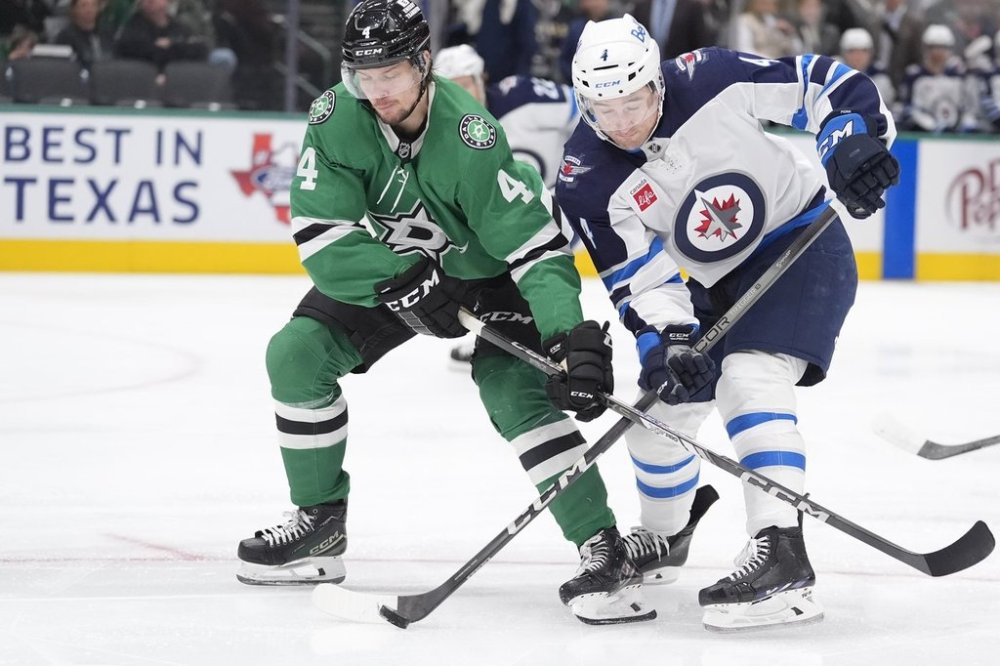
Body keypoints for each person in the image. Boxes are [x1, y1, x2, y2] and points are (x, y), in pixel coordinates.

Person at [235, 0, 715, 625]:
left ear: (424, 65)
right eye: (364, 76)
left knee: (514, 391)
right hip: (394, 274)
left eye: (392, 75)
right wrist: (398, 279)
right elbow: (321, 233)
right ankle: (319, 525)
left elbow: (536, 251)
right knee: (296, 355)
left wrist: (567, 334)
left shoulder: (471, 137)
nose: (377, 92)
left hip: (487, 282)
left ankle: (603, 548)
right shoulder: (334, 118)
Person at [556, 14, 898, 630]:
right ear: (584, 103)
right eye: (605, 110)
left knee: (749, 377)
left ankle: (782, 554)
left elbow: (820, 82)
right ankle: (663, 540)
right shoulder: (586, 178)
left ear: (657, 81)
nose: (625, 121)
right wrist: (668, 340)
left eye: (634, 100)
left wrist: (847, 139)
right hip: (713, 287)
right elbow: (640, 278)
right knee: (655, 419)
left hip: (801, 246)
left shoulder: (710, 77)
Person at [434, 43, 579, 366]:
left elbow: (588, 108)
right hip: (515, 216)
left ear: (481, 79)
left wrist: (580, 169)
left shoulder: (523, 97)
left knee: (535, 260)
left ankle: (562, 337)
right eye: (451, 89)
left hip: (565, 201)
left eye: (466, 84)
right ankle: (512, 332)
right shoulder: (443, 134)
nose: (462, 96)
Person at [897, 24, 977, 132]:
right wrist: (931, 125)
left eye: (943, 47)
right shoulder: (914, 76)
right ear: (925, 48)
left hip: (955, 134)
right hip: (923, 133)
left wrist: (964, 124)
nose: (938, 52)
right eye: (934, 47)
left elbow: (968, 107)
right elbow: (906, 108)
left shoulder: (958, 76)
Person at [115, 0, 208, 72]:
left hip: (177, 81)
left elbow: (200, 49)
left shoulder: (178, 27)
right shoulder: (133, 26)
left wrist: (170, 46)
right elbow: (135, 49)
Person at [840, 27, 896, 108]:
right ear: (843, 53)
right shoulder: (833, 73)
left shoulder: (879, 75)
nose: (857, 57)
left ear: (871, 53)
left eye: (863, 51)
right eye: (852, 52)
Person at [55, 0, 115, 70]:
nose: (89, 10)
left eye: (93, 5)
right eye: (84, 5)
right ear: (74, 9)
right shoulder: (65, 37)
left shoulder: (107, 34)